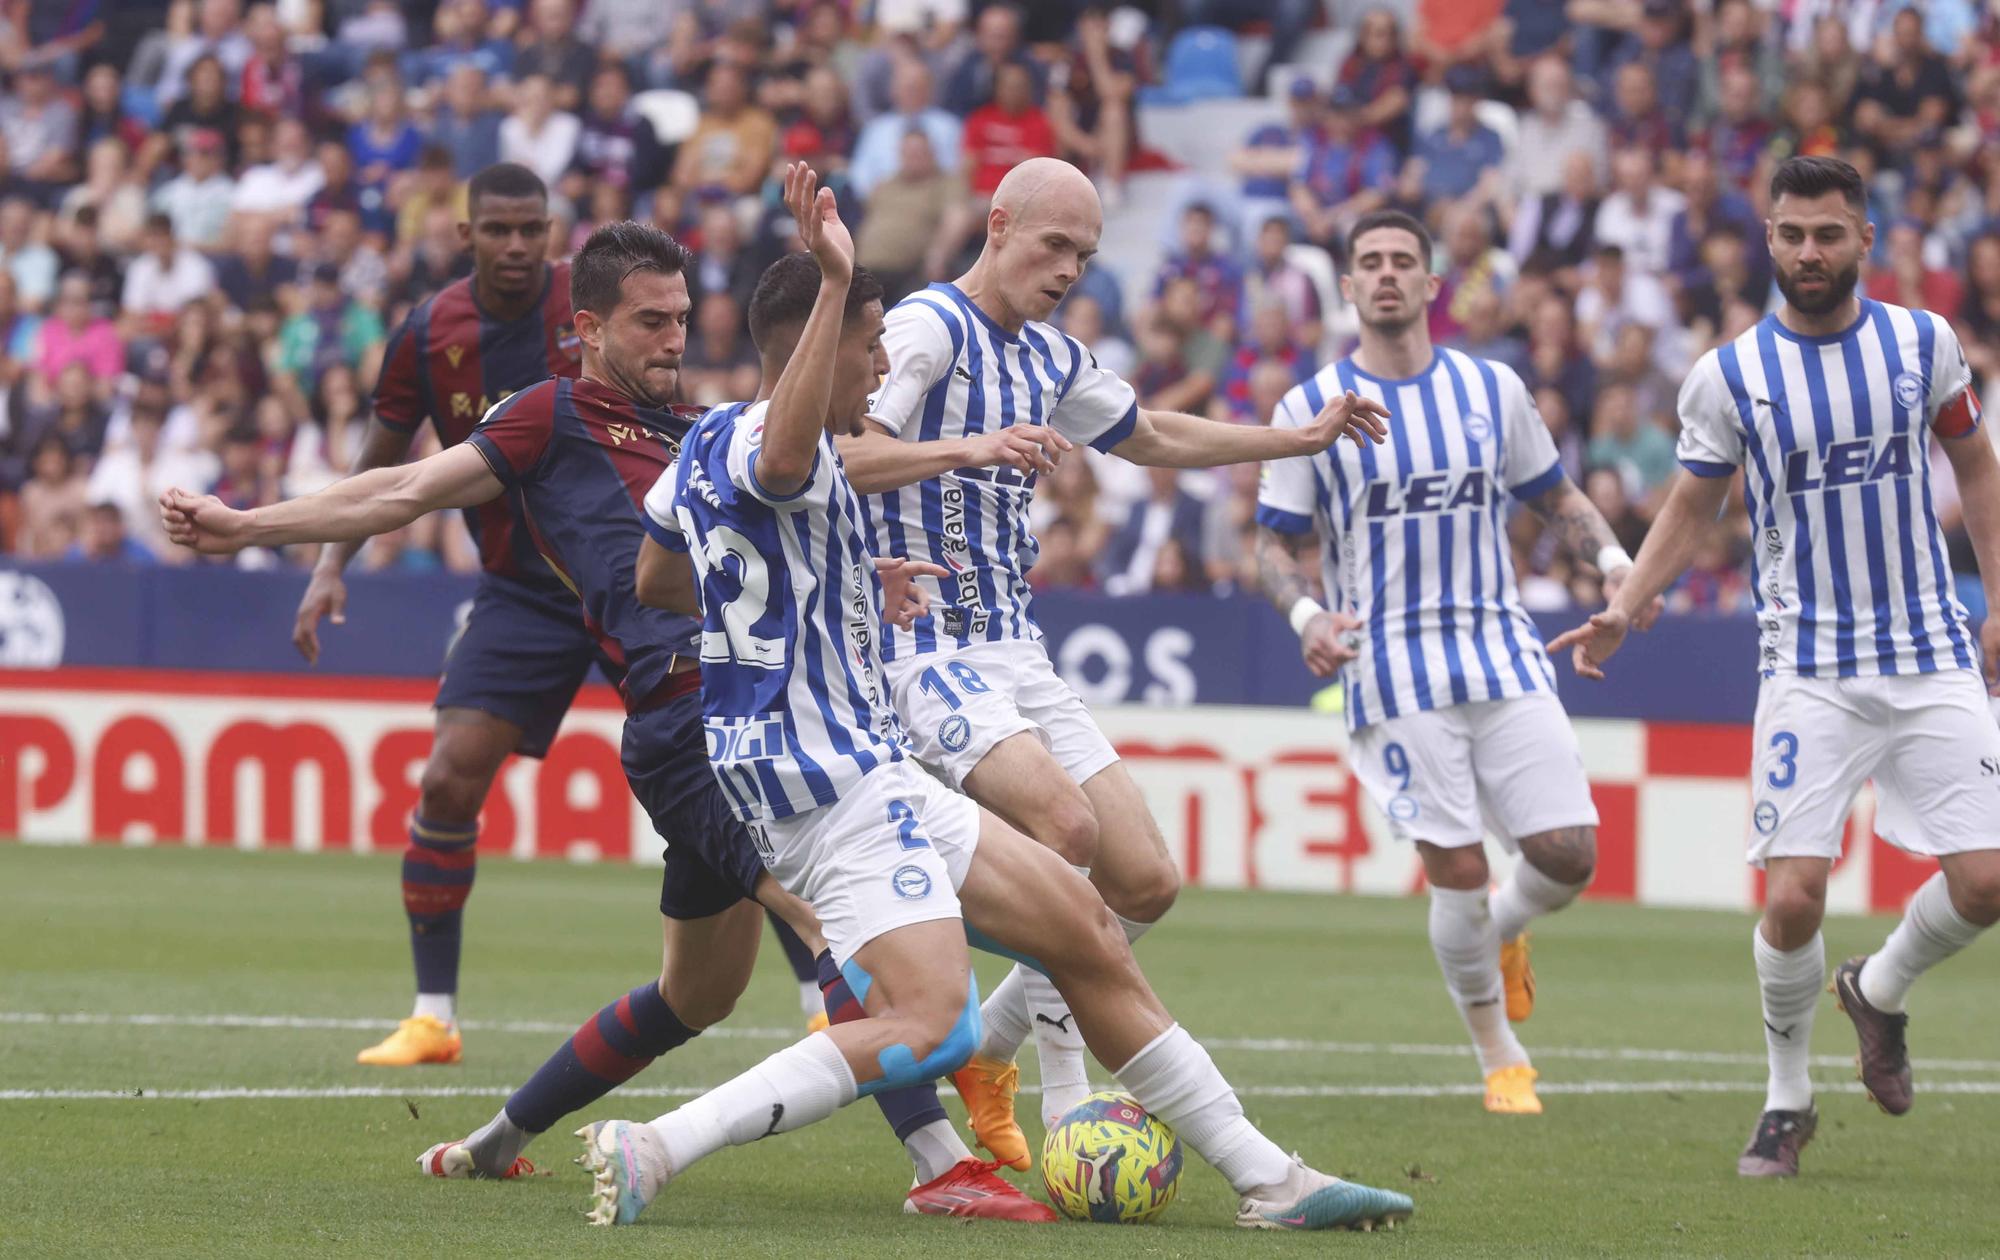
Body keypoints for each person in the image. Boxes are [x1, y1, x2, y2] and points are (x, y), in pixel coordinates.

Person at [159, 218, 1051, 1222]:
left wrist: (869, 554)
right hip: (688, 719)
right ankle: (939, 1164)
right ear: (586, 326)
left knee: (694, 996)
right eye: (648, 322)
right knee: (834, 926)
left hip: (735, 716)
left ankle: (496, 1141)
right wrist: (249, 527)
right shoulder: (549, 417)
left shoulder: (705, 429)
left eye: (680, 318)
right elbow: (405, 486)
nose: (673, 339)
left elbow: (830, 472)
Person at [580, 162, 1413, 1235]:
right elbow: (801, 454)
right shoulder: (809, 415)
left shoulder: (700, 446)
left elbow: (657, 578)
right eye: (867, 355)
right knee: (938, 1006)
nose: (883, 373)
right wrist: (871, 327)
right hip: (842, 760)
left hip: (874, 751)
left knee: (1105, 917)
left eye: (1085, 255)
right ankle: (666, 1142)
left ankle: (1268, 1180)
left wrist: (822, 582)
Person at [835, 155, 1391, 1168]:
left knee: (1144, 882)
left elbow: (1150, 435)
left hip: (1016, 648)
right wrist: (968, 449)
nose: (1067, 269)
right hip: (920, 641)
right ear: (997, 224)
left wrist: (1296, 438)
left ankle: (988, 1054)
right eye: (1052, 245)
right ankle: (1063, 1097)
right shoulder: (927, 328)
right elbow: (847, 454)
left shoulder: (1049, 355)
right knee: (1065, 827)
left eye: (1084, 255)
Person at [281, 162, 811, 1064]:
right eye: (500, 230)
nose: (519, 246)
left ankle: (821, 1000)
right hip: (527, 589)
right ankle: (433, 1015)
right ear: (467, 236)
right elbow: (392, 457)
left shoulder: (614, 298)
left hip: (647, 575)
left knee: (753, 765)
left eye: (534, 229)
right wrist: (330, 563)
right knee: (450, 775)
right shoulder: (432, 331)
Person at [1551, 156, 2000, 1178]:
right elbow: (1689, 503)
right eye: (1791, 234)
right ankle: (1784, 1101)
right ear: (1767, 239)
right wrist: (1625, 606)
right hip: (1805, 662)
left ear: (1863, 241)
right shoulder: (1728, 375)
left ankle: (1875, 991)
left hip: (1929, 649)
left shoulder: (1920, 343)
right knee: (1793, 895)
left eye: (1827, 235)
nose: (1808, 252)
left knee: (1984, 882)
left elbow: (1973, 464)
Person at [1254, 208, 1656, 1117]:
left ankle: (1502, 935)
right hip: (1389, 666)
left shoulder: (1491, 390)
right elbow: (1273, 545)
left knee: (1568, 856)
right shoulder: (1308, 408)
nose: (1387, 274)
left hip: (1502, 648)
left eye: (1404, 261)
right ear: (1349, 288)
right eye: (1370, 263)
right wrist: (1308, 614)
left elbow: (1552, 495)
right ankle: (1498, 1054)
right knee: (1460, 872)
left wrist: (1618, 566)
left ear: (1433, 286)